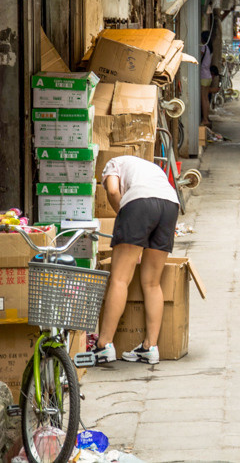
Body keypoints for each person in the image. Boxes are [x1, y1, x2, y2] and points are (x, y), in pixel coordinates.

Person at [92, 155, 180, 366]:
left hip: (140, 203)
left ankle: (104, 345)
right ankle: (150, 347)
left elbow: (113, 191)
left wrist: (125, 219)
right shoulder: (147, 166)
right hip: (170, 205)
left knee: (120, 279)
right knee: (152, 282)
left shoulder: (111, 164)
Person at [199, 30, 212, 125]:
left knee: (203, 98)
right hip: (208, 76)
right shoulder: (210, 48)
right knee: (206, 98)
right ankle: (207, 117)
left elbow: (199, 57)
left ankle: (205, 120)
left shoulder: (203, 47)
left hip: (203, 75)